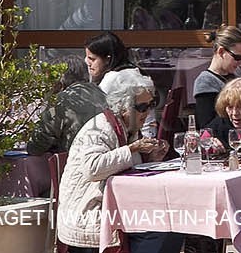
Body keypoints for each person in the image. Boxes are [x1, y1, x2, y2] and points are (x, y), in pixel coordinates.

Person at [56, 71, 181, 253]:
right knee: (160, 230)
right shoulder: (99, 129)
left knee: (176, 222)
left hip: (116, 205)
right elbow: (92, 168)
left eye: (151, 105)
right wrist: (132, 149)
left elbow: (125, 164)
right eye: (142, 107)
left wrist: (152, 157)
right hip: (88, 213)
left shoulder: (128, 127)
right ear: (123, 106)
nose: (147, 112)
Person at [29, 58, 109, 153]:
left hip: (78, 160)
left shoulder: (62, 100)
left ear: (60, 80)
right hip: (107, 156)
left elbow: (37, 144)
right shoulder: (101, 94)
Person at [193, 25, 241, 128]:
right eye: (237, 57)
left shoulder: (237, 74)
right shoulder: (206, 82)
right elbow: (207, 127)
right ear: (221, 52)